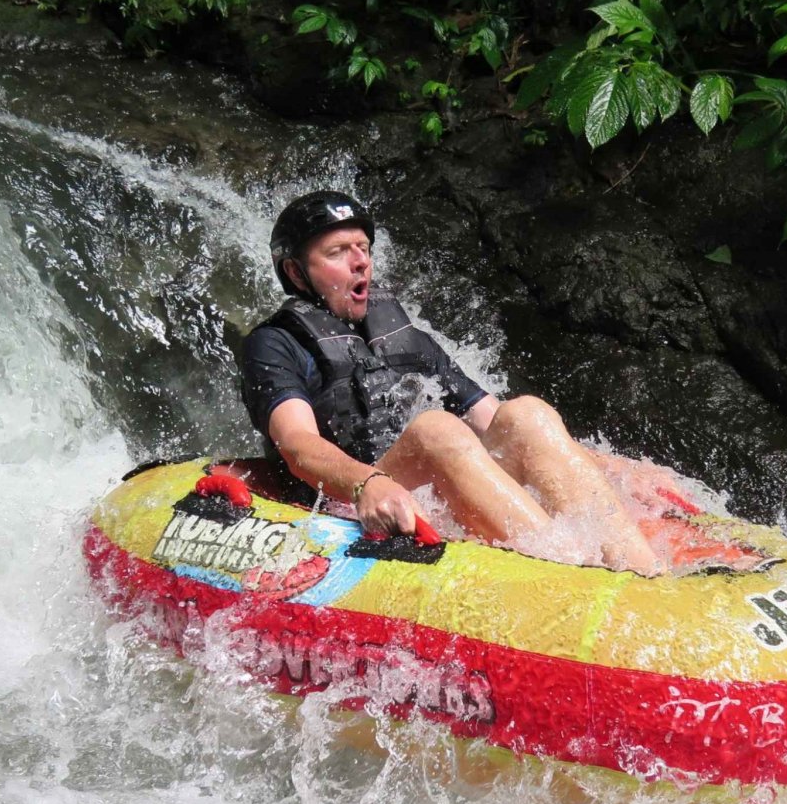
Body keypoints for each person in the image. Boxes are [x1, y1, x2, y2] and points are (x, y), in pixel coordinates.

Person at [239, 190, 661, 574]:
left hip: (421, 495)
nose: (360, 261)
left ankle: (642, 574)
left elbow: (496, 423)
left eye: (363, 248)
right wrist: (367, 483)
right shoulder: (274, 343)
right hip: (350, 502)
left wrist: (619, 469)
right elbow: (297, 445)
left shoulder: (403, 337)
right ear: (296, 273)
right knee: (434, 431)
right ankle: (573, 574)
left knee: (527, 414)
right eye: (337, 252)